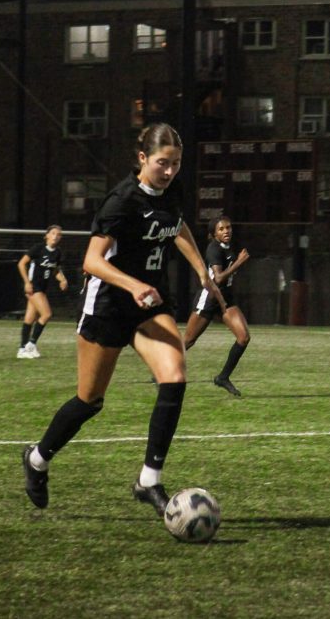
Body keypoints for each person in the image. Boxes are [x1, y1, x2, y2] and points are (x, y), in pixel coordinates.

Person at [21, 123, 226, 516]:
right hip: (109, 306)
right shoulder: (121, 200)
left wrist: (202, 269)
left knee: (175, 375)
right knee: (89, 401)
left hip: (148, 303)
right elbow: (91, 261)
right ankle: (37, 459)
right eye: (162, 163)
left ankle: (149, 479)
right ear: (142, 159)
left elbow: (176, 224)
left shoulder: (173, 191)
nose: (169, 171)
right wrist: (132, 285)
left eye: (176, 164)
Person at [182, 215, 250, 397]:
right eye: (221, 229)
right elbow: (218, 278)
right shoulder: (213, 249)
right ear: (214, 233)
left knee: (243, 337)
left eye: (228, 227)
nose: (226, 231)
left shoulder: (227, 247)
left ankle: (223, 377)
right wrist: (239, 263)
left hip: (226, 299)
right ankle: (161, 373)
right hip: (210, 298)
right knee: (187, 341)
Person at [16, 225, 69, 359]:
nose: (55, 236)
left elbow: (55, 269)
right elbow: (21, 264)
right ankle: (31, 344)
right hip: (34, 287)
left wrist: (62, 280)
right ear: (46, 235)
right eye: (53, 233)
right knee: (47, 314)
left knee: (30, 318)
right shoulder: (38, 249)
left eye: (58, 234)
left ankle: (22, 349)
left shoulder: (57, 252)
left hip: (42, 288)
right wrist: (27, 282)